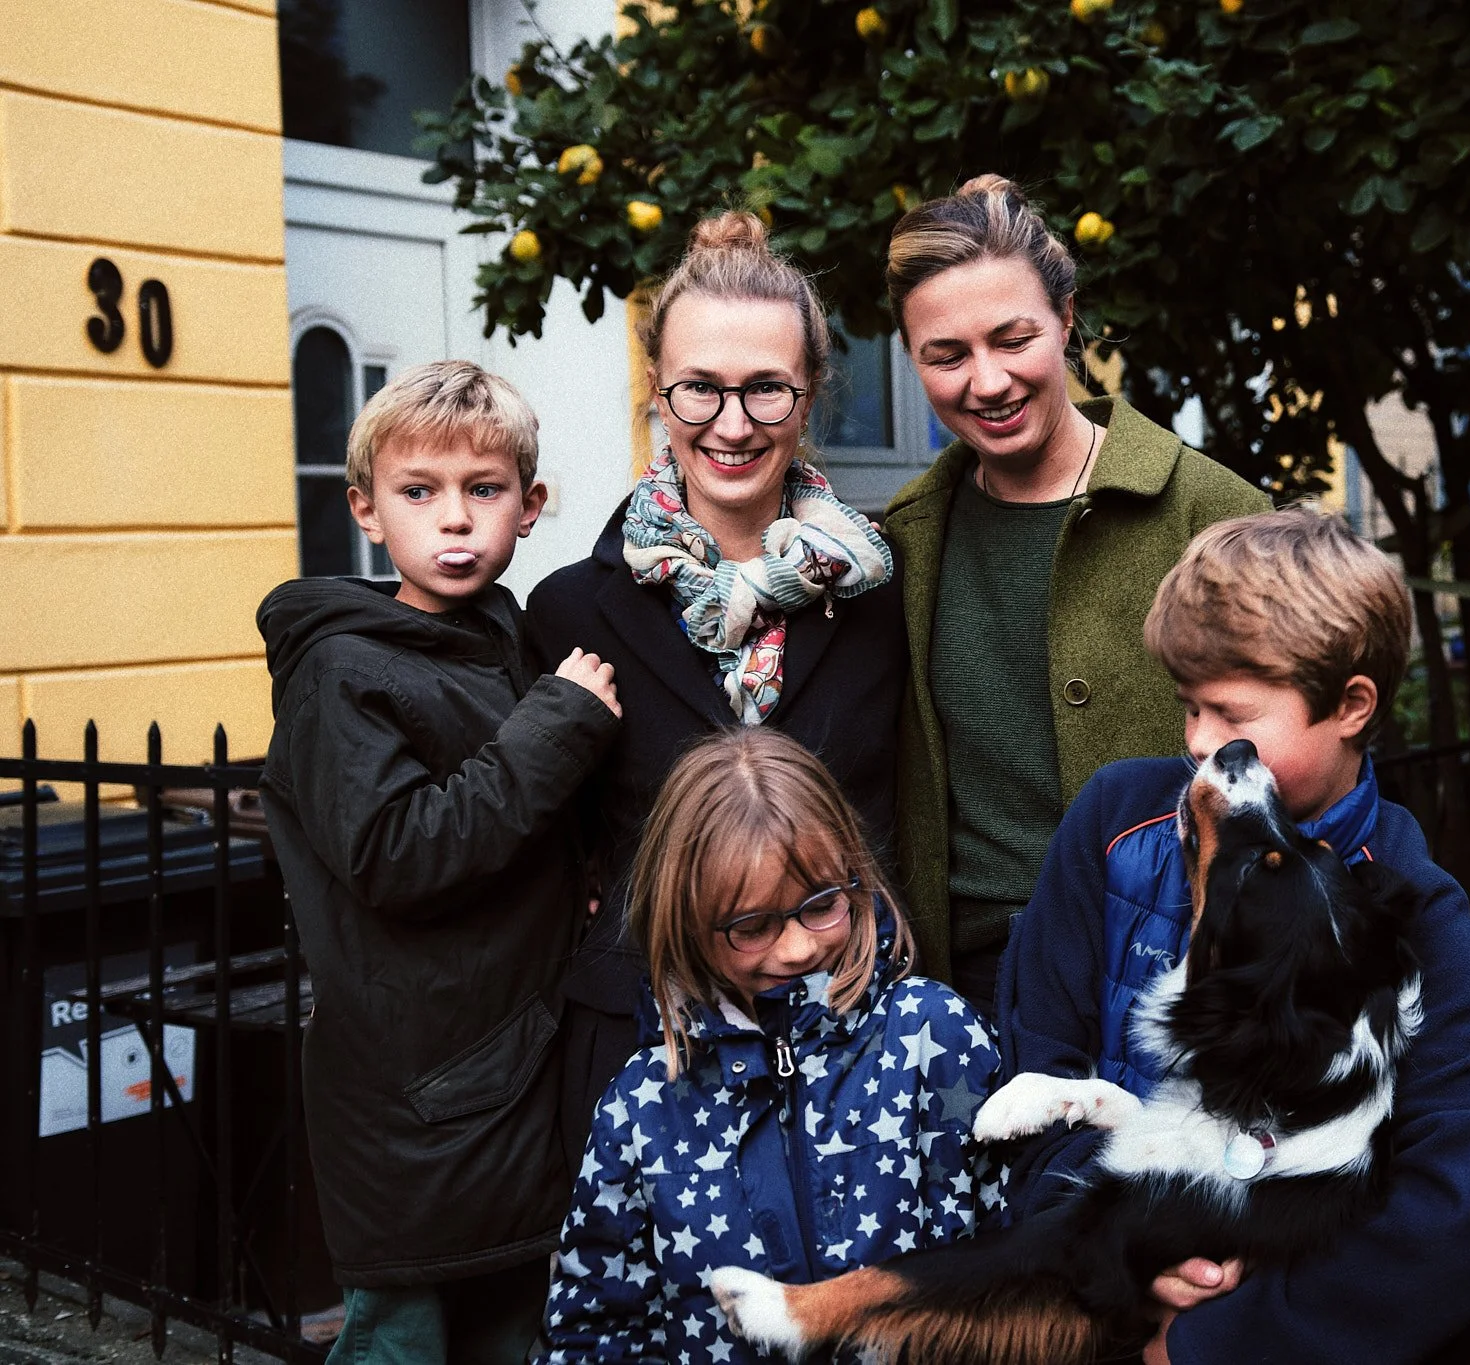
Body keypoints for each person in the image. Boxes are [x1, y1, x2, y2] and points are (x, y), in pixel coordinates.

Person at [999, 507, 1470, 1365]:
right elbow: (1037, 1065)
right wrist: (1125, 1254)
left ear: (1352, 704)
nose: (1202, 745)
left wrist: (1221, 1341)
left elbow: (1463, 1207)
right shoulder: (1109, 825)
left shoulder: (1413, 911)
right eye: (1189, 708)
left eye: (1232, 712)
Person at [257, 360, 624, 1364]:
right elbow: (400, 855)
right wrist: (557, 727)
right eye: (419, 493)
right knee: (404, 1341)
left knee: (509, 1333)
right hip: (418, 1104)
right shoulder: (343, 671)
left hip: (512, 1082)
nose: (453, 521)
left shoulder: (501, 642)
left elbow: (524, 828)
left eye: (483, 490)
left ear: (531, 504)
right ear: (367, 510)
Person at [526, 210, 906, 1163]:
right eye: (700, 389)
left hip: (854, 1056)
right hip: (649, 1065)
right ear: (657, 388)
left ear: (808, 392)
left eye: (766, 391)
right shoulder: (569, 611)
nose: (731, 426)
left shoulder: (881, 593)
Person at [882, 174, 1270, 1012]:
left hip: (1175, 974)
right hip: (968, 988)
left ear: (1065, 319)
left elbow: (1297, 765)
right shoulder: (905, 539)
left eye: (1013, 338)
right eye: (946, 355)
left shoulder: (1217, 513)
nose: (986, 381)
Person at [544, 728, 1002, 1363]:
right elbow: (591, 1334)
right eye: (751, 927)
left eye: (820, 906)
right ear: (685, 921)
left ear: (854, 877)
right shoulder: (642, 1105)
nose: (797, 949)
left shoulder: (933, 1036)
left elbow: (1016, 1266)